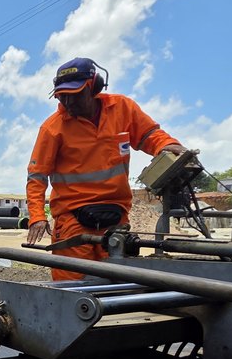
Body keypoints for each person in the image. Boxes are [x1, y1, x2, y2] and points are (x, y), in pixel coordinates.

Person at [25, 57, 187, 281]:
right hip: (73, 221)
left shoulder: (122, 109)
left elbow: (149, 135)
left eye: (74, 95)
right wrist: (36, 216)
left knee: (116, 285)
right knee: (72, 293)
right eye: (62, 96)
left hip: (116, 218)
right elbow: (37, 176)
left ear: (95, 86)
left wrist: (166, 146)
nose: (67, 102)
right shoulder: (52, 129)